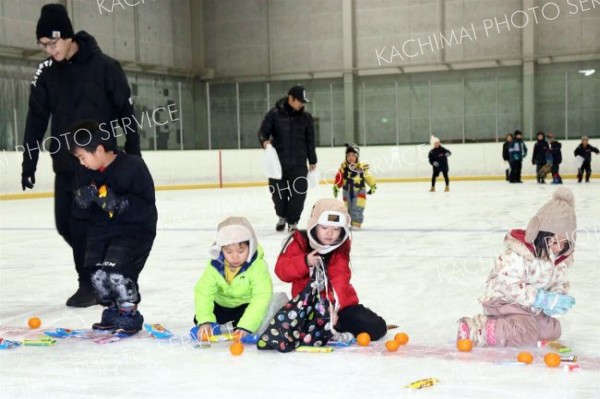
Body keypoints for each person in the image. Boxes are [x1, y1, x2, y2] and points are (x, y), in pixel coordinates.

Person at [20, 4, 141, 307]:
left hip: (98, 162)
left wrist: (134, 157)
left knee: (90, 221)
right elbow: (36, 118)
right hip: (65, 161)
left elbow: (126, 114)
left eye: (52, 43)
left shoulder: (104, 67)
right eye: (42, 45)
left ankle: (91, 282)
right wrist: (29, 160)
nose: (49, 50)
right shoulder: (47, 73)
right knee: (67, 223)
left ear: (67, 36)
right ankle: (100, 270)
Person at [457, 187, 576, 347]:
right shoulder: (519, 254)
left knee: (551, 331)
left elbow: (556, 283)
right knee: (524, 331)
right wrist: (541, 298)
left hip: (529, 306)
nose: (557, 248)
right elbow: (508, 285)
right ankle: (476, 328)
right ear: (538, 233)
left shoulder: (559, 261)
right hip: (503, 301)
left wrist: (555, 297)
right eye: (553, 241)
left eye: (564, 243)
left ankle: (507, 324)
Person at [68, 121, 156, 335]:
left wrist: (120, 204)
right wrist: (81, 202)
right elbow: (78, 213)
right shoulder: (85, 173)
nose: (81, 163)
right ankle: (112, 311)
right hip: (100, 232)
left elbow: (146, 204)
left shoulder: (133, 166)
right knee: (98, 276)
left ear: (98, 150)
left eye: (82, 157)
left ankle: (129, 313)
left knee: (116, 274)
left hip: (133, 231)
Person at [274, 198, 387, 341]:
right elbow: (281, 271)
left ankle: (331, 327)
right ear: (314, 225)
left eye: (336, 229)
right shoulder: (299, 241)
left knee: (377, 328)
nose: (330, 233)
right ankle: (323, 327)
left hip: (338, 307)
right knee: (294, 328)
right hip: (308, 307)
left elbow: (340, 280)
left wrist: (332, 307)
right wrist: (305, 262)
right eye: (324, 228)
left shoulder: (341, 248)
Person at [193, 217, 273, 341]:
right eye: (228, 252)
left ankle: (240, 326)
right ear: (221, 249)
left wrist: (246, 327)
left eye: (241, 251)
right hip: (221, 305)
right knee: (200, 316)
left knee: (257, 316)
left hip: (244, 306)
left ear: (250, 247)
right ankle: (213, 326)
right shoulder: (215, 265)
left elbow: (262, 296)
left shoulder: (257, 266)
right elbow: (204, 292)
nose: (235, 257)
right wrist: (205, 320)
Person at [258, 85, 317, 233]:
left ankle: (293, 221)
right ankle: (282, 216)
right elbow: (263, 132)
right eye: (300, 101)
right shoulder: (274, 114)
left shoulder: (306, 118)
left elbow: (310, 140)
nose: (302, 104)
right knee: (278, 194)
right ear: (291, 98)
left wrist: (312, 160)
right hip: (278, 164)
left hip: (298, 164)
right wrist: (264, 141)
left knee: (299, 193)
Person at [333, 144, 377, 229]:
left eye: (353, 155)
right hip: (347, 192)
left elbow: (368, 176)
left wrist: (372, 185)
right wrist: (336, 186)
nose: (350, 157)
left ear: (357, 157)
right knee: (347, 208)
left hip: (359, 191)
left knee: (357, 207)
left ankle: (356, 223)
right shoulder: (343, 168)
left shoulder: (362, 168)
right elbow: (339, 177)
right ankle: (349, 222)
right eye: (348, 155)